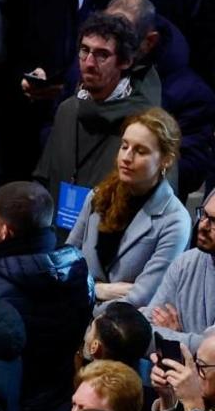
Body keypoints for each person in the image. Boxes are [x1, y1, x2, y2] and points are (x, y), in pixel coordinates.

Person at [70, 109, 190, 314]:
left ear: (166, 160)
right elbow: (68, 261)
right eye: (124, 146)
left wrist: (82, 301)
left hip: (122, 332)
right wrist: (98, 290)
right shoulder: (97, 195)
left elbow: (142, 298)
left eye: (140, 151)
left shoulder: (175, 221)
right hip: (76, 316)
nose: (126, 157)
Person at [36, 13, 153, 197]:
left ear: (125, 62)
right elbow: (44, 177)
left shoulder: (143, 124)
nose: (89, 63)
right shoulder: (67, 110)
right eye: (84, 50)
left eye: (102, 55)